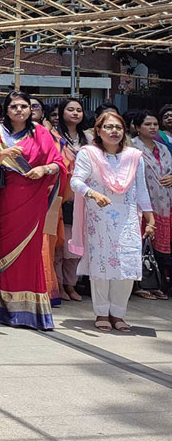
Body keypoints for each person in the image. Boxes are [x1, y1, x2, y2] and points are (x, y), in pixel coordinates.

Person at [0, 90, 64, 330]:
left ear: (30, 109)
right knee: (6, 249)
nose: (19, 110)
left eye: (24, 106)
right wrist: (3, 155)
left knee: (31, 253)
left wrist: (44, 170)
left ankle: (32, 311)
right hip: (7, 198)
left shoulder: (41, 132)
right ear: (6, 111)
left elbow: (58, 163)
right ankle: (5, 308)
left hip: (34, 197)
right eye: (14, 106)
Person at [68, 111, 154, 333]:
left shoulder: (134, 156)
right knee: (102, 265)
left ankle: (118, 313)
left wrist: (150, 218)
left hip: (128, 218)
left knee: (126, 265)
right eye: (108, 127)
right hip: (99, 218)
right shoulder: (88, 154)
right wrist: (93, 194)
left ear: (124, 131)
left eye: (118, 127)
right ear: (98, 130)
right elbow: (76, 181)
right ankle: (102, 312)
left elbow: (141, 189)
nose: (114, 131)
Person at [132, 110, 172, 298]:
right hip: (141, 203)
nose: (153, 127)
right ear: (137, 127)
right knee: (141, 244)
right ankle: (139, 285)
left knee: (159, 247)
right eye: (148, 124)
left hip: (165, 202)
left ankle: (156, 283)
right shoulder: (132, 147)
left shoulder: (163, 148)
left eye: (155, 124)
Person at [53, 98, 89, 301]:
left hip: (82, 195)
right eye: (71, 109)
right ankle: (58, 284)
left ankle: (71, 284)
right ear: (61, 112)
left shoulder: (88, 138)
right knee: (60, 245)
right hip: (61, 192)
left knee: (76, 246)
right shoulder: (54, 136)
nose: (75, 113)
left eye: (79, 110)